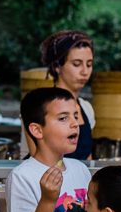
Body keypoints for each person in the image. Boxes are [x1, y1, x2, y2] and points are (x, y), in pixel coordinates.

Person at [40, 30, 96, 160]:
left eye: (89, 64)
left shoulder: (87, 108)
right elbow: (36, 159)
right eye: (77, 64)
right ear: (57, 66)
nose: (85, 71)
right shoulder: (41, 105)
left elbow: (88, 160)